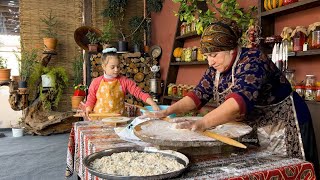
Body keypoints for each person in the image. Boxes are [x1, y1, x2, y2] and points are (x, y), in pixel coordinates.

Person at [146, 18, 319, 176]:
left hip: (285, 123)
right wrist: (167, 111)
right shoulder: (215, 70)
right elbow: (196, 96)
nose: (210, 62)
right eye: (207, 56)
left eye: (214, 55)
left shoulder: (253, 60)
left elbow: (238, 102)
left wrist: (201, 123)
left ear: (231, 49)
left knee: (290, 171)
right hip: (258, 126)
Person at [85, 48, 159, 118]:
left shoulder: (124, 81)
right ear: (104, 67)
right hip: (100, 120)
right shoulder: (96, 82)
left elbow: (139, 92)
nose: (116, 70)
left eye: (118, 66)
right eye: (112, 67)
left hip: (119, 120)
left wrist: (153, 104)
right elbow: (91, 98)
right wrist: (88, 108)